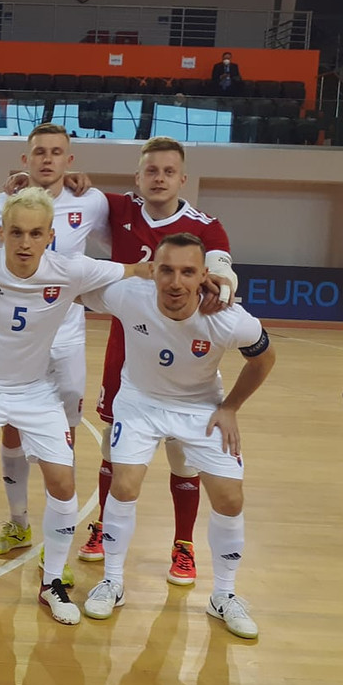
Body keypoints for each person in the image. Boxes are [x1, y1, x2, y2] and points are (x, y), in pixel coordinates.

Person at [0, 188, 149, 624]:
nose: (25, 242)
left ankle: (53, 580)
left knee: (63, 483)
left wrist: (212, 277)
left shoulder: (71, 269)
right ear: (2, 233)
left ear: (50, 236)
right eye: (17, 232)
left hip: (35, 390)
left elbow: (138, 269)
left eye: (35, 233)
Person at [79, 234, 274, 639]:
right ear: (152, 271)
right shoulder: (129, 295)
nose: (175, 282)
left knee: (230, 497)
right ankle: (112, 582)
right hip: (140, 401)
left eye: (188, 272)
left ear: (204, 276)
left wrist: (230, 408)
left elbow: (264, 358)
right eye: (166, 270)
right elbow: (74, 285)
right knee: (124, 485)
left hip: (201, 406)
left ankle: (224, 595)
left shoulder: (228, 317)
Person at [83, 138, 236, 585]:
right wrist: (55, 181)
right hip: (128, 349)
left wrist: (220, 285)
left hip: (186, 358)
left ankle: (183, 544)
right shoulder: (118, 209)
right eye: (151, 171)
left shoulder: (206, 228)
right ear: (137, 177)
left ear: (182, 179)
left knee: (182, 456)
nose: (159, 178)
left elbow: (224, 272)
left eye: (169, 172)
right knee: (113, 446)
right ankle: (103, 527)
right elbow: (69, 198)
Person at [0, 125, 110, 582]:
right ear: (25, 159)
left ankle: (58, 546)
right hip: (14, 342)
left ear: (70, 160)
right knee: (11, 428)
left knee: (62, 440)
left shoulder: (92, 202)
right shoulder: (2, 204)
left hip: (65, 339)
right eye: (39, 152)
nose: (47, 159)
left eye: (56, 153)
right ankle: (18, 523)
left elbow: (119, 246)